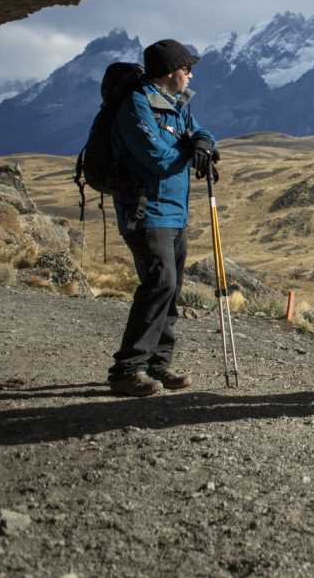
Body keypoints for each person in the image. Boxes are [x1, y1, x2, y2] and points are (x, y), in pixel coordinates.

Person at [107, 39, 219, 397]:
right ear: (171, 72)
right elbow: (155, 157)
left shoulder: (175, 104)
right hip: (146, 210)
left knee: (171, 289)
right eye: (187, 68)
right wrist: (189, 152)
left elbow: (201, 132)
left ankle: (158, 365)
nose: (191, 74)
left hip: (174, 212)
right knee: (159, 284)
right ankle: (127, 370)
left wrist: (202, 144)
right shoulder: (136, 105)